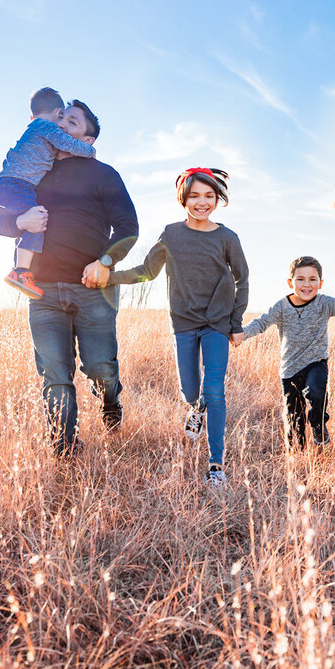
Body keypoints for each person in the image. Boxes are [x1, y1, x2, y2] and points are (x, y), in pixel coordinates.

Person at [0, 100, 138, 457]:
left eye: (71, 122)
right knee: (55, 375)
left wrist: (105, 261)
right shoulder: (34, 169)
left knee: (101, 368)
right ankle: (65, 449)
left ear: (87, 141)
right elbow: (2, 222)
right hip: (41, 291)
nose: (61, 126)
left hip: (93, 289)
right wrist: (19, 224)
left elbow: (128, 227)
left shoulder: (104, 174)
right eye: (60, 119)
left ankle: (110, 401)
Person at [107, 168, 248, 488]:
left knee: (215, 389)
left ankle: (215, 465)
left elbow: (243, 280)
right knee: (190, 391)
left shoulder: (227, 238)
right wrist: (111, 276)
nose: (202, 202)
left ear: (218, 199)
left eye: (209, 196)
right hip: (184, 323)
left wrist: (236, 323)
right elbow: (146, 271)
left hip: (217, 322)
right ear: (183, 199)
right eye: (195, 196)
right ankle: (195, 409)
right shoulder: (171, 235)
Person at [239, 256, 335, 451]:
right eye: (300, 279)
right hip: (289, 370)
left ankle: (319, 425)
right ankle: (297, 454)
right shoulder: (282, 306)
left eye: (312, 279)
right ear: (290, 282)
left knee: (316, 393)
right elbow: (262, 322)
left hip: (315, 363)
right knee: (294, 419)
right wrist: (243, 333)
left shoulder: (324, 303)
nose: (306, 284)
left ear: (320, 283)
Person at [0, 87, 98, 299]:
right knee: (37, 219)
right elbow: (67, 143)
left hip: (12, 184)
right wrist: (90, 151)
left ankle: (22, 270)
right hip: (18, 184)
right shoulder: (46, 127)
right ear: (57, 113)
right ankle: (21, 271)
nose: (61, 126)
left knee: (33, 219)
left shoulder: (35, 128)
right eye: (63, 118)